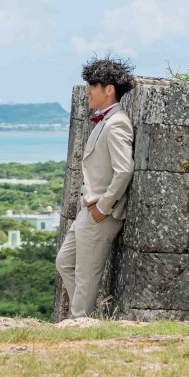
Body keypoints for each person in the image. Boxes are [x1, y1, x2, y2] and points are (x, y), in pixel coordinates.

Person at [55, 54, 136, 320]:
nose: (88, 91)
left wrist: (103, 206)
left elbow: (124, 169)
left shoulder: (117, 123)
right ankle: (86, 316)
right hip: (87, 211)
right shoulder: (106, 121)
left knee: (86, 274)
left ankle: (80, 322)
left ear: (108, 90)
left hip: (99, 213)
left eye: (92, 85)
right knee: (65, 263)